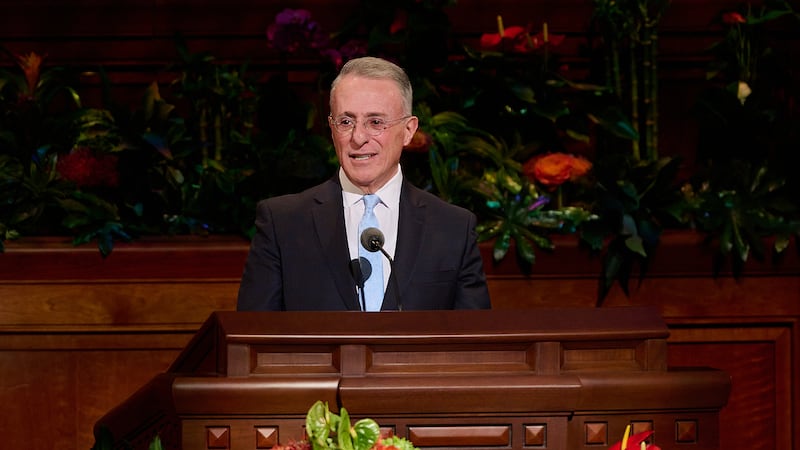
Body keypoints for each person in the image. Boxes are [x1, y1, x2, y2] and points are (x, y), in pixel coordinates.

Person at [236, 56, 491, 311]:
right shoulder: (283, 223)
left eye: (375, 122)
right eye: (346, 122)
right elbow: (250, 338)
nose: (358, 137)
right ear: (331, 128)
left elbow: (476, 344)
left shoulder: (453, 228)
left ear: (409, 131)